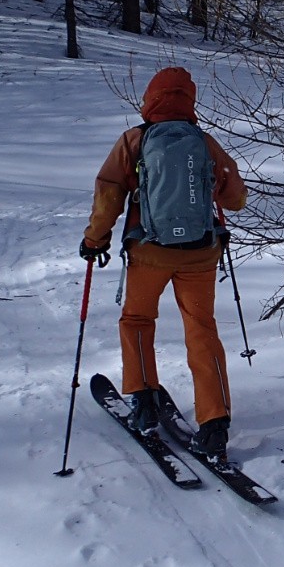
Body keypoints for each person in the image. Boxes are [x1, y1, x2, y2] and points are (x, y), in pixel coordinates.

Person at [80, 67, 247, 462]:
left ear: (150, 98)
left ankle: (143, 401)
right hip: (201, 254)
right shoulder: (204, 143)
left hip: (149, 252)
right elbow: (236, 198)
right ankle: (214, 423)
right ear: (189, 101)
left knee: (137, 321)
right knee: (201, 329)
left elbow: (108, 196)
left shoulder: (134, 141)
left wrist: (94, 240)